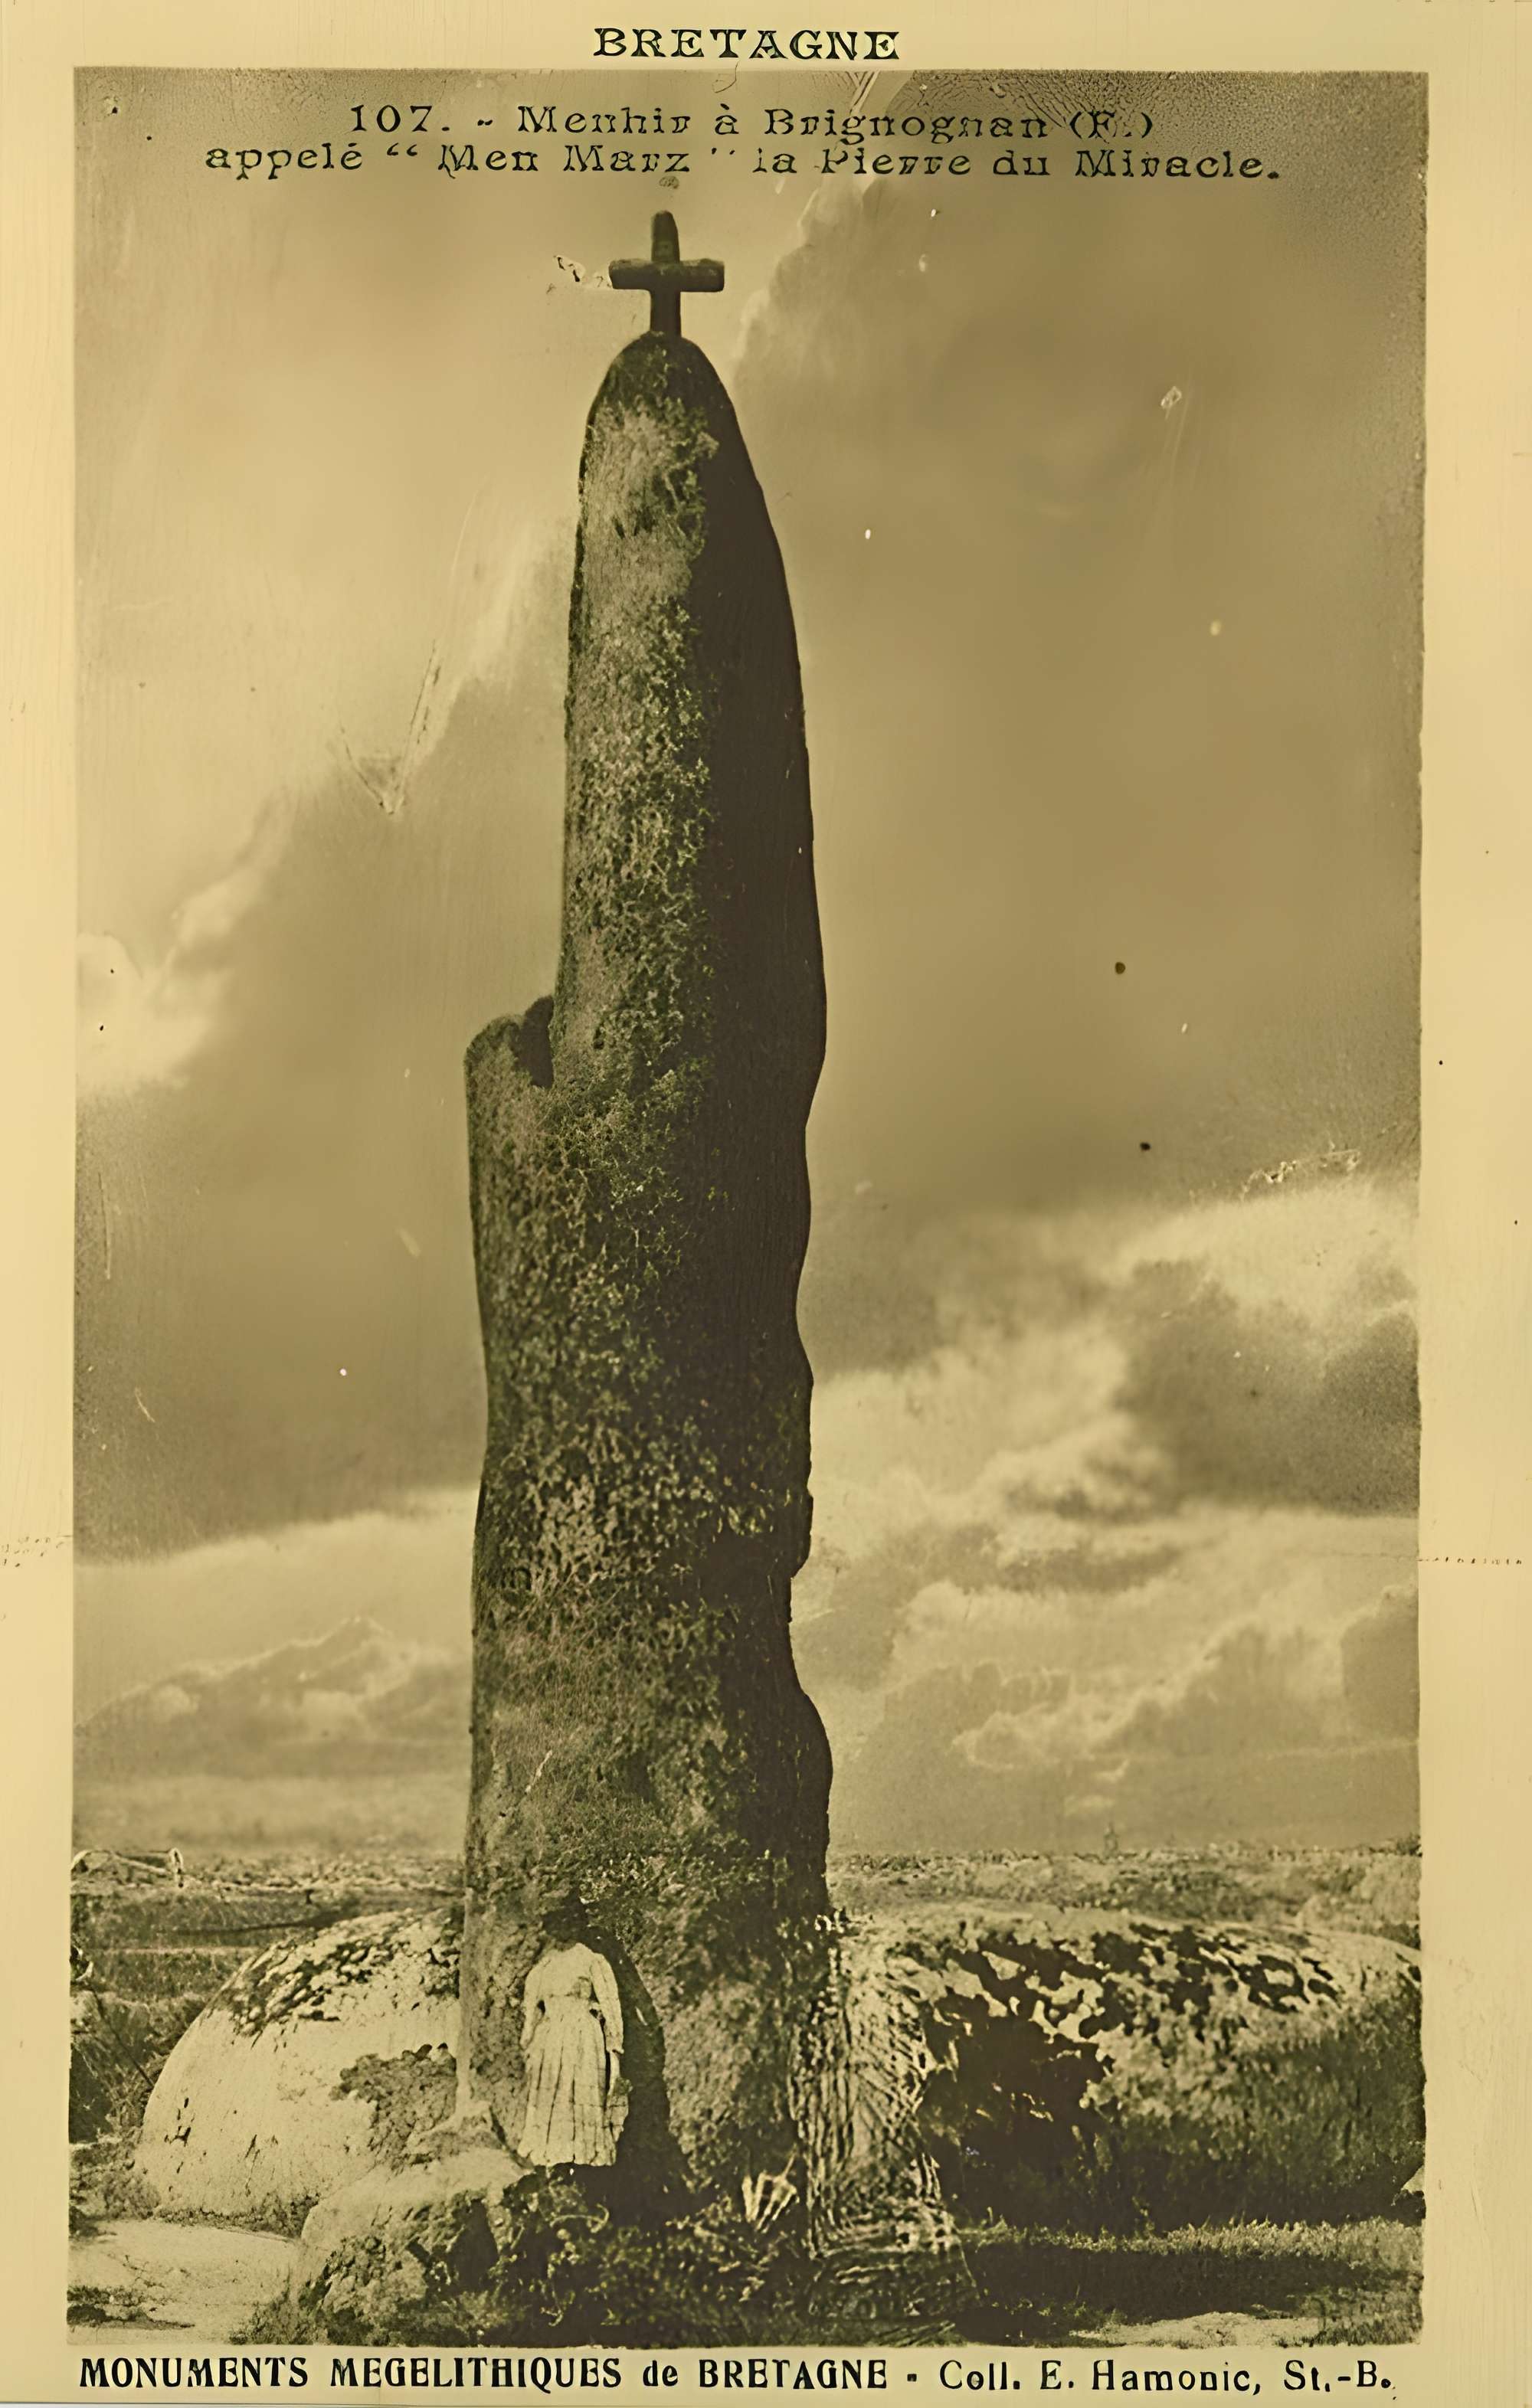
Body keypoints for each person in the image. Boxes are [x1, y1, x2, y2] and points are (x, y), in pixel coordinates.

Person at [518, 1893, 626, 2168]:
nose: (562, 1930)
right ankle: (553, 2159)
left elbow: (611, 2003)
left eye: (569, 1922)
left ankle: (583, 2159)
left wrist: (614, 2043)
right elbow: (531, 2007)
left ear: (578, 1924)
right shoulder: (545, 1965)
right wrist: (528, 2039)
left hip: (582, 2036)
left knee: (580, 2094)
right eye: (557, 1924)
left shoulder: (591, 1960)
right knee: (551, 2093)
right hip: (550, 2036)